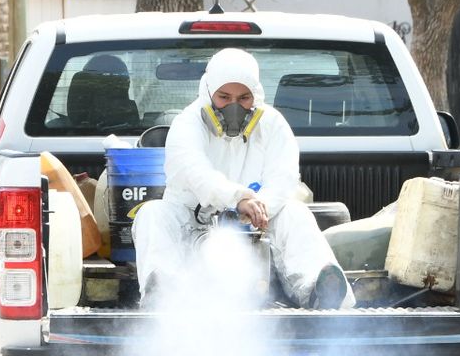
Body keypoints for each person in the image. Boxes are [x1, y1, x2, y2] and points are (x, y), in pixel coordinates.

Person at [133, 47, 352, 309]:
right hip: (195, 224)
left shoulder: (273, 124)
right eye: (224, 97)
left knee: (296, 214)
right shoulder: (187, 123)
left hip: (257, 229)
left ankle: (320, 289)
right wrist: (237, 198)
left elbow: (283, 177)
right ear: (209, 93)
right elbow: (196, 172)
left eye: (244, 97)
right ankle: (163, 295)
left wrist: (259, 208)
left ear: (256, 95)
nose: (234, 106)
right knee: (152, 214)